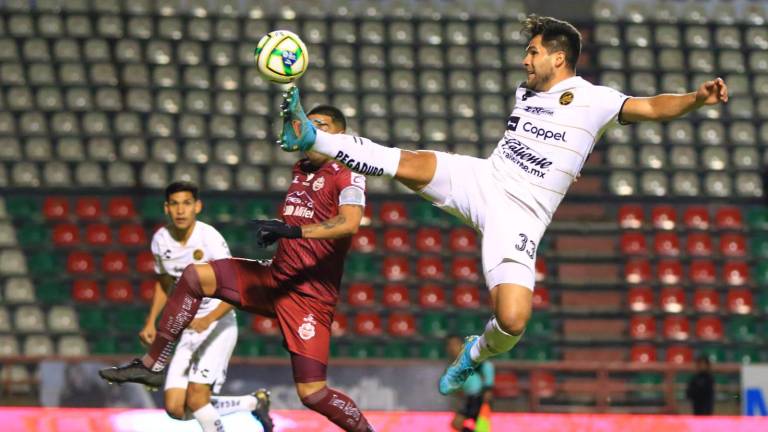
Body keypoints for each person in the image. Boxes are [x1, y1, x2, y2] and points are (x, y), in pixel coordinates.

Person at [277, 14, 729, 396]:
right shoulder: (525, 91)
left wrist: (696, 99)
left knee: (512, 320)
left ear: (558, 57)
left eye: (533, 52)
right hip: (485, 179)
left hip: (520, 216)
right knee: (407, 162)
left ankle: (474, 352)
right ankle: (312, 137)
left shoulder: (596, 100)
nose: (525, 60)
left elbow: (653, 107)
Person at [99, 107, 376, 432]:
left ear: (339, 136)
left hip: (308, 298)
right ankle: (153, 365)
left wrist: (293, 231)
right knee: (195, 276)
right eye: (308, 125)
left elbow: (349, 223)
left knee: (313, 393)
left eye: (321, 126)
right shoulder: (301, 169)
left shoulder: (347, 173)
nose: (312, 131)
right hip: (275, 278)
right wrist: (281, 231)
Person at [100, 181, 273, 431]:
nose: (181, 210)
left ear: (197, 207)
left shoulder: (209, 238)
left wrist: (208, 318)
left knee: (197, 399)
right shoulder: (160, 240)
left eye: (186, 203)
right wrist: (151, 322)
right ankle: (253, 403)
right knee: (176, 408)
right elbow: (164, 283)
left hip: (218, 325)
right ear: (166, 208)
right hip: (189, 327)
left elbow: (238, 286)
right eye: (175, 204)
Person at [446, 335, 494, 432]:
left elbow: (487, 366)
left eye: (455, 344)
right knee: (457, 424)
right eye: (450, 345)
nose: (453, 348)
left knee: (478, 426)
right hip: (469, 397)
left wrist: (488, 388)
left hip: (479, 396)